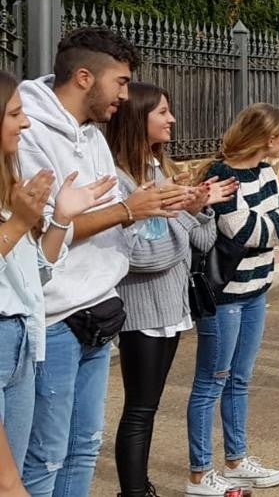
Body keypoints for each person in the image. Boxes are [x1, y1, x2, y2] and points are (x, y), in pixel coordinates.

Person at [17, 27, 175, 497]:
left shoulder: (92, 134)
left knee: (85, 444)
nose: (126, 97)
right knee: (46, 453)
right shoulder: (31, 133)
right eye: (121, 82)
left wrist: (155, 204)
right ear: (85, 77)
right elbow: (45, 232)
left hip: (99, 306)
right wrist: (129, 210)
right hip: (56, 317)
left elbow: (106, 213)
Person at [188, 104, 279, 496]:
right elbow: (245, 231)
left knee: (240, 379)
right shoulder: (222, 173)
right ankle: (199, 472)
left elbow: (271, 227)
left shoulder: (266, 170)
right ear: (269, 137)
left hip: (256, 290)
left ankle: (236, 461)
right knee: (211, 382)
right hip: (226, 296)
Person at [106, 83, 235, 497]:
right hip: (142, 311)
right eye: (162, 112)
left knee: (151, 407)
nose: (172, 119)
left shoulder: (159, 171)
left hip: (173, 307)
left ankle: (142, 485)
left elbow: (201, 242)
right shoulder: (120, 182)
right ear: (138, 117)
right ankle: (135, 491)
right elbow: (143, 257)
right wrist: (179, 215)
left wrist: (197, 208)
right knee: (139, 411)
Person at [0, 69, 108, 485]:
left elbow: (36, 273)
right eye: (14, 114)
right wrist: (18, 224)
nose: (24, 124)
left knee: (26, 467)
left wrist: (60, 218)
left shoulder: (12, 187)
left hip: (23, 340)